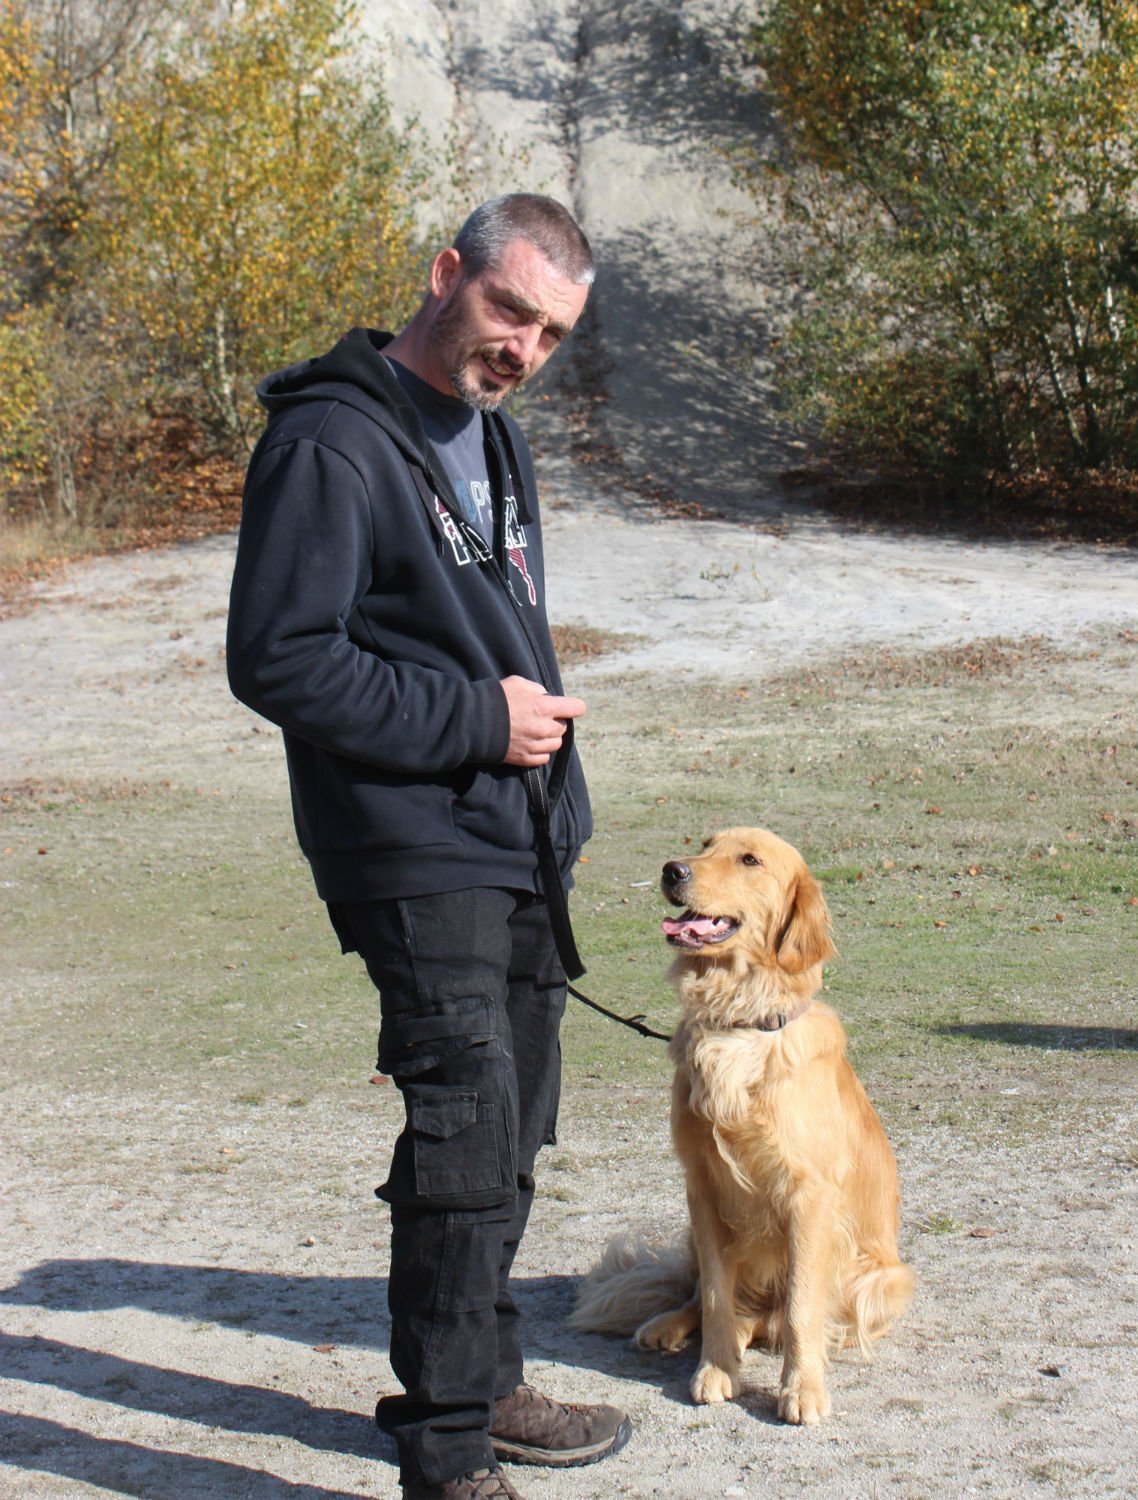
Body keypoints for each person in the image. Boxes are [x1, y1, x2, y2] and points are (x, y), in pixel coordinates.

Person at [226, 194, 631, 1500]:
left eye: (552, 334)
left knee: (510, 1128)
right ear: (448, 273)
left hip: (515, 835)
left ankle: (484, 1378)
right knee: (464, 1131)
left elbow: (502, 636)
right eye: (511, 310)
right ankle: (446, 1454)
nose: (524, 348)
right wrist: (478, 723)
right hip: (409, 843)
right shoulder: (330, 441)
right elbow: (281, 658)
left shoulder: (492, 435)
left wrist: (556, 803)